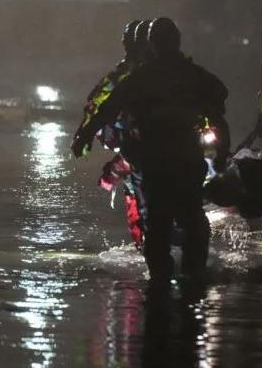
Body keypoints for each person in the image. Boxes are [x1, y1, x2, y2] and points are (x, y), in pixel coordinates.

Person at [72, 17, 230, 284]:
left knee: (160, 222)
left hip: (157, 161)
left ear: (152, 45)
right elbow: (219, 97)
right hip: (181, 158)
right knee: (191, 220)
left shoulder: (141, 78)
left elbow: (106, 107)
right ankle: (191, 277)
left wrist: (83, 136)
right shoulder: (190, 75)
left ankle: (163, 281)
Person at [73, 20, 149, 248]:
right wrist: (84, 134)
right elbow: (100, 106)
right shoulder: (126, 77)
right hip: (139, 145)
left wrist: (83, 135)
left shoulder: (174, 73)